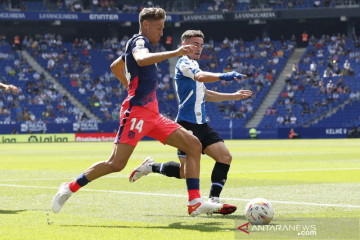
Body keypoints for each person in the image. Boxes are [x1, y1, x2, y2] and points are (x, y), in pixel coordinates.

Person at [52, 8, 223, 217]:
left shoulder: (143, 44)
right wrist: (175, 53)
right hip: (136, 114)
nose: (161, 33)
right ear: (146, 25)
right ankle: (68, 188)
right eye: (159, 28)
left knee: (194, 145)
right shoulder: (139, 41)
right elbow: (141, 59)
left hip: (153, 114)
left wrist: (130, 87)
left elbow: (116, 66)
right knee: (116, 164)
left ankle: (195, 203)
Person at [128, 30, 252, 215]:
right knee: (186, 172)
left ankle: (213, 199)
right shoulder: (184, 63)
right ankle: (151, 166)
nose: (198, 48)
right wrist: (225, 76)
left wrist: (232, 96)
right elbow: (201, 77)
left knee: (224, 157)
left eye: (201, 45)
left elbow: (206, 94)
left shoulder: (194, 65)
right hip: (187, 125)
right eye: (195, 44)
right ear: (185, 44)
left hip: (202, 124)